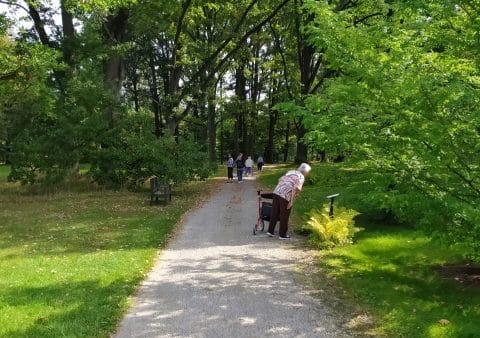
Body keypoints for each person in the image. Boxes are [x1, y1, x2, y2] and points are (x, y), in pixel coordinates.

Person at [266, 163, 312, 239]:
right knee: (284, 214)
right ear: (305, 172)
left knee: (274, 212)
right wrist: (291, 201)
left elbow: (280, 179)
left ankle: (270, 231)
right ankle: (282, 235)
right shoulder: (301, 177)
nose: (308, 173)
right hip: (285, 195)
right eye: (308, 172)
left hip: (277, 192)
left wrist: (281, 187)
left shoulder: (291, 171)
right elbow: (295, 188)